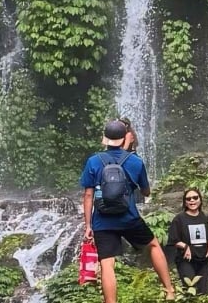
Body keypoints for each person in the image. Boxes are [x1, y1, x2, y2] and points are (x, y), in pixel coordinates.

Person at [80, 120, 175, 303]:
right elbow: (146, 191)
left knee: (107, 264)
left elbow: (88, 195)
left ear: (104, 139)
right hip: (129, 218)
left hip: (102, 221)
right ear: (125, 138)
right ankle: (169, 290)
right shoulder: (135, 161)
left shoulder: (93, 161)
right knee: (154, 245)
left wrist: (88, 226)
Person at [165, 188, 208, 296]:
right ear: (185, 202)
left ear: (200, 200)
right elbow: (173, 240)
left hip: (204, 259)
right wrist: (185, 246)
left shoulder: (206, 217)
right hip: (186, 260)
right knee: (191, 290)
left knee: (205, 292)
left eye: (195, 198)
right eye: (188, 199)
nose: (192, 201)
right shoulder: (179, 219)